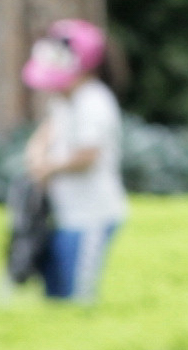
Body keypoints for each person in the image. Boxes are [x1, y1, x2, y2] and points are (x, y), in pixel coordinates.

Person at [18, 20, 129, 303]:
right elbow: (47, 132)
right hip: (64, 213)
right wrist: (36, 154)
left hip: (91, 215)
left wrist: (48, 167)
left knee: (78, 294)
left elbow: (87, 156)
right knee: (53, 291)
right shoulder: (65, 99)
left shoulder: (94, 102)